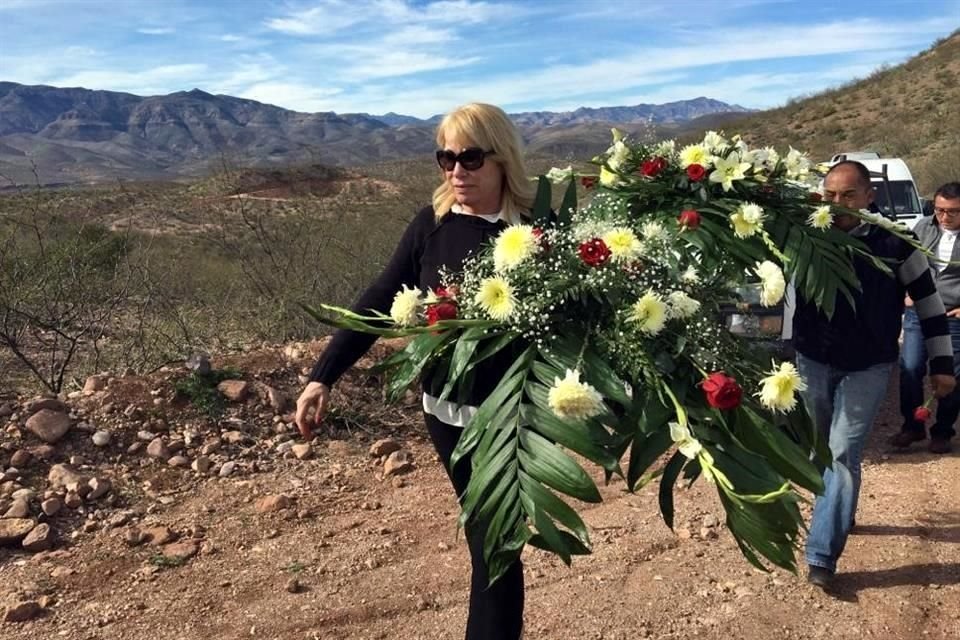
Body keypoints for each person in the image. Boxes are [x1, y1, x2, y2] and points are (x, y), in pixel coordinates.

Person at [295, 103, 534, 640]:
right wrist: (322, 375)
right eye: (445, 158)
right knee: (491, 538)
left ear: (501, 159)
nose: (456, 171)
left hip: (513, 419)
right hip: (445, 413)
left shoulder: (538, 232)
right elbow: (381, 299)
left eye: (470, 158)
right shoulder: (432, 224)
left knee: (495, 541)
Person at [790, 162, 956, 589]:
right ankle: (838, 510)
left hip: (870, 364)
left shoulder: (896, 244)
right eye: (829, 196)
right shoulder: (806, 235)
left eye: (847, 196)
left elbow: (929, 306)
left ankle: (821, 555)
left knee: (842, 453)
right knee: (818, 451)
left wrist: (941, 367)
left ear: (869, 197)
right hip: (813, 360)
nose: (838, 204)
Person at [893, 182, 960, 454]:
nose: (944, 217)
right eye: (939, 210)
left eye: (952, 212)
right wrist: (905, 294)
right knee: (909, 367)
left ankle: (942, 432)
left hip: (953, 316)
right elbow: (901, 262)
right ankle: (912, 426)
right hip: (918, 313)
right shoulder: (921, 228)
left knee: (950, 375)